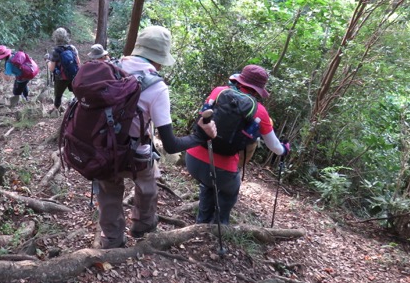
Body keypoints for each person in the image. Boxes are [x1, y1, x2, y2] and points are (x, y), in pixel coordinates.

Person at [94, 26, 217, 248]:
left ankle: (112, 239)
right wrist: (200, 136)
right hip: (136, 155)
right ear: (159, 58)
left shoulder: (110, 67)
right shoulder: (157, 87)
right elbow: (170, 145)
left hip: (102, 149)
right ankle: (142, 226)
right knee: (147, 185)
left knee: (109, 192)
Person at [185, 65, 289, 225]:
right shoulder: (260, 112)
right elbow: (275, 146)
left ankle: (202, 222)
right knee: (229, 191)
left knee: (208, 183)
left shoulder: (218, 92)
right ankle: (220, 225)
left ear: (239, 80)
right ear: (258, 90)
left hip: (192, 159)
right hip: (223, 171)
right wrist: (284, 150)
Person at [47, 27, 81, 112]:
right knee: (77, 93)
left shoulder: (55, 51)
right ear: (66, 36)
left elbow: (51, 68)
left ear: (55, 37)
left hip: (60, 78)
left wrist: (48, 61)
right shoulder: (72, 48)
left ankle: (56, 110)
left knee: (58, 95)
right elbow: (78, 62)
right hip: (73, 75)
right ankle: (80, 108)